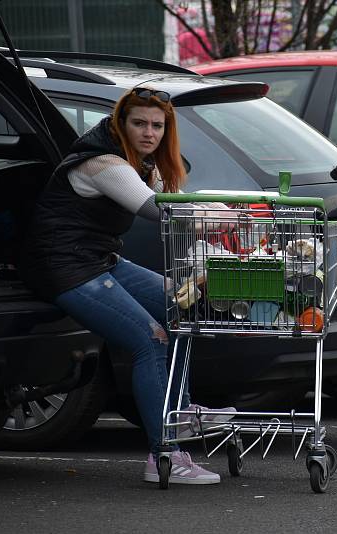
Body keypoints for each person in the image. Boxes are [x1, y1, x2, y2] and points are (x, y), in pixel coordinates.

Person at [21, 86, 235, 485]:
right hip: (65, 268)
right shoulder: (103, 163)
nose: (149, 132)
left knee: (179, 309)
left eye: (157, 125)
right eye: (139, 123)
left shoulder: (143, 163)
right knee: (150, 338)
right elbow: (154, 208)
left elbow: (175, 197)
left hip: (100, 261)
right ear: (120, 124)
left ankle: (181, 413)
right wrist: (218, 216)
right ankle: (164, 456)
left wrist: (224, 211)